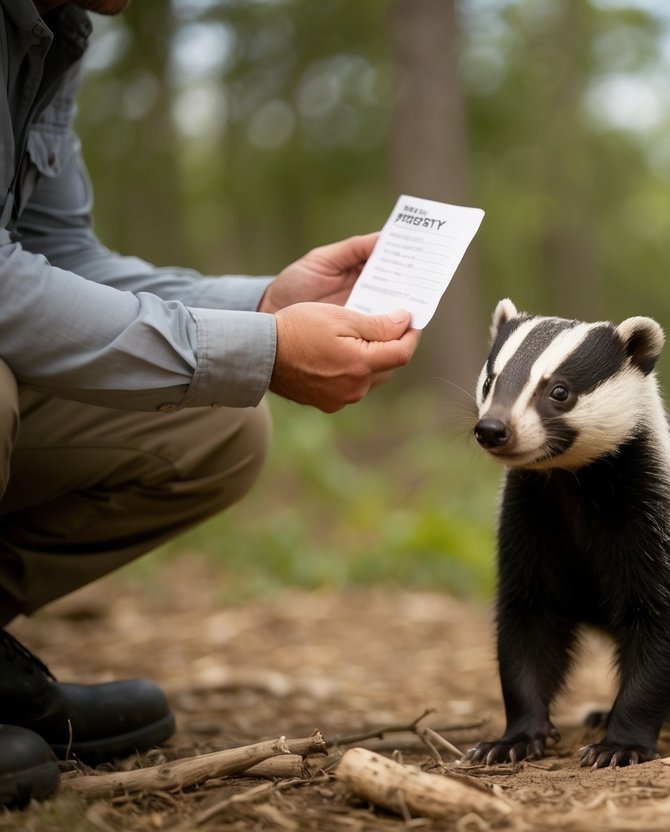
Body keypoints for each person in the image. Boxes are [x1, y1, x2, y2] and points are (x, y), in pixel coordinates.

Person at [0, 0, 423, 805]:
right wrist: (258, 352)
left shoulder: (52, 29)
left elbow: (58, 254)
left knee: (213, 426)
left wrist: (262, 305)